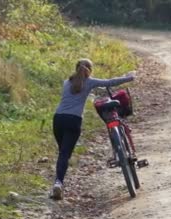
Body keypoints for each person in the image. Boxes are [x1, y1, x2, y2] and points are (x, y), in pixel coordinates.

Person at [51, 58, 136, 200]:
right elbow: (110, 82)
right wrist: (129, 77)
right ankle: (58, 183)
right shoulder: (89, 82)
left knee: (63, 154)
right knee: (65, 154)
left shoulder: (66, 82)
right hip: (74, 120)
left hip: (58, 119)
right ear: (89, 71)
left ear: (76, 68)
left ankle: (58, 182)